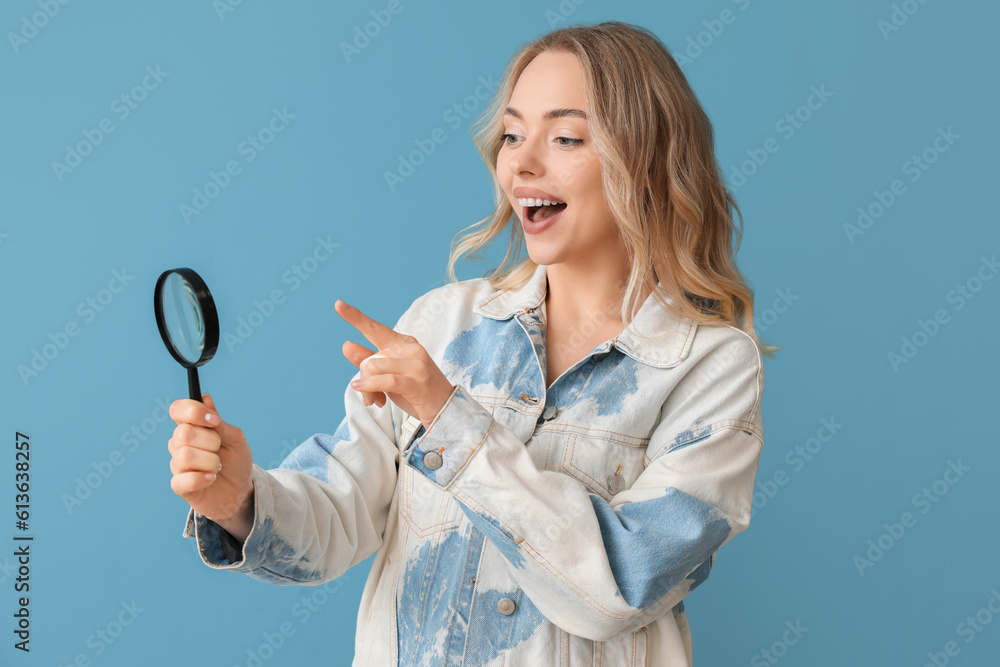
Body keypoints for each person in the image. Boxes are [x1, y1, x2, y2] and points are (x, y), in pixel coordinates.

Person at [168, 20, 777, 666]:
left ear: (648, 164)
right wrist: (239, 500)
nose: (522, 161)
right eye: (513, 134)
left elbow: (618, 588)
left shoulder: (711, 369)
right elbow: (340, 512)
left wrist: (450, 420)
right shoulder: (441, 324)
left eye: (565, 136)